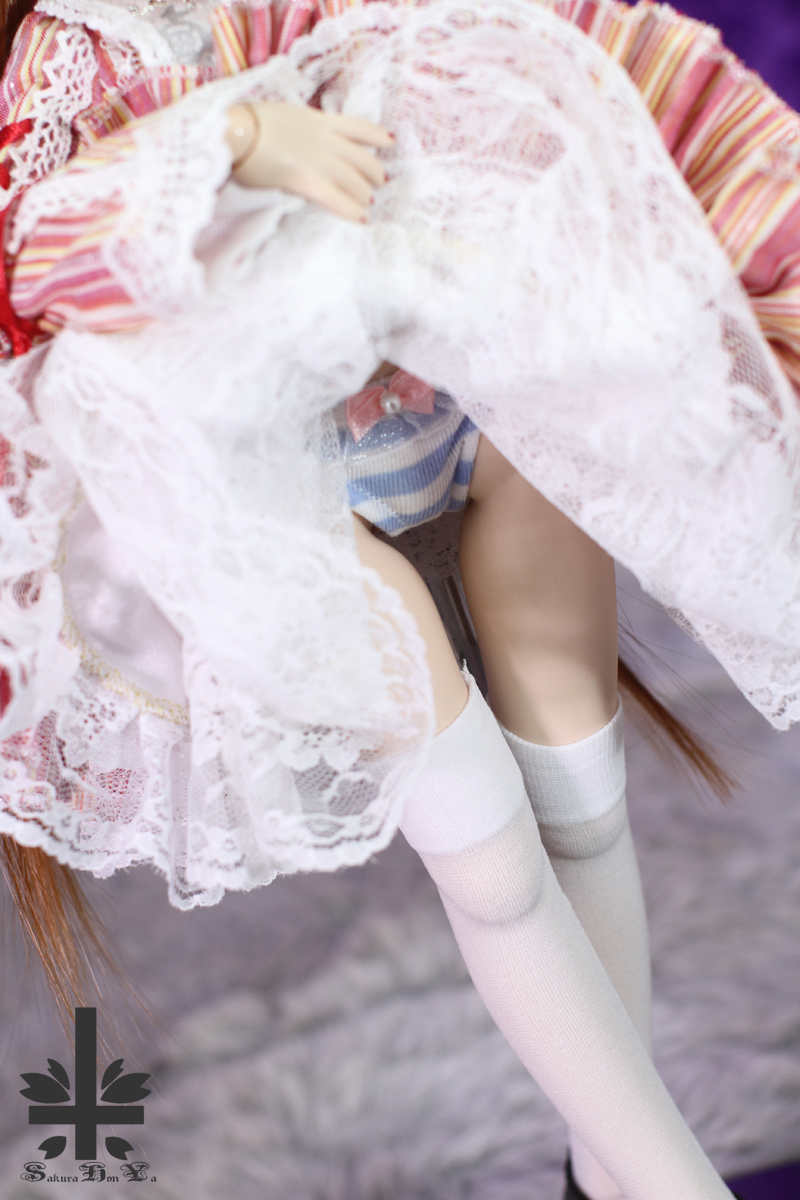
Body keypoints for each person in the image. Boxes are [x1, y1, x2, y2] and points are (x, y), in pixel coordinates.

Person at [0, 0, 796, 1195]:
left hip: (460, 407)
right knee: (492, 862)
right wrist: (231, 143)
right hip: (277, 501)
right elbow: (41, 263)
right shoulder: (74, 59)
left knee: (582, 798)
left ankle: (612, 1177)